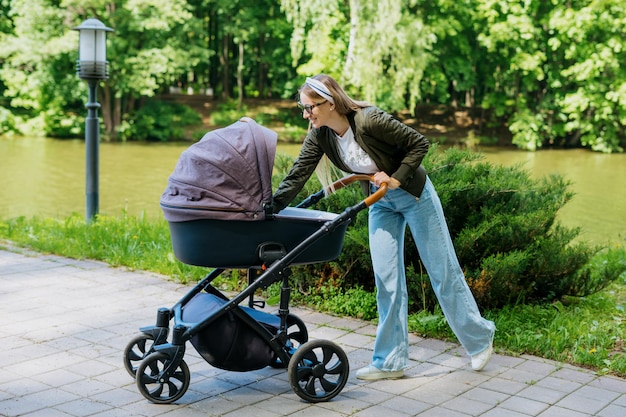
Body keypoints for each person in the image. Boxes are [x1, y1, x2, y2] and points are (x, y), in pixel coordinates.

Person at [272, 74, 495, 380]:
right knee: (386, 279)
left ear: (331, 102)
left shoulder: (369, 120)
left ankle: (480, 338)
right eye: (303, 107)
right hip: (380, 203)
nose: (305, 114)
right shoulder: (320, 135)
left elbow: (419, 143)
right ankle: (390, 361)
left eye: (310, 107)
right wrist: (271, 206)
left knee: (442, 271)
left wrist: (396, 178)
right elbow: (297, 175)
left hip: (414, 196)